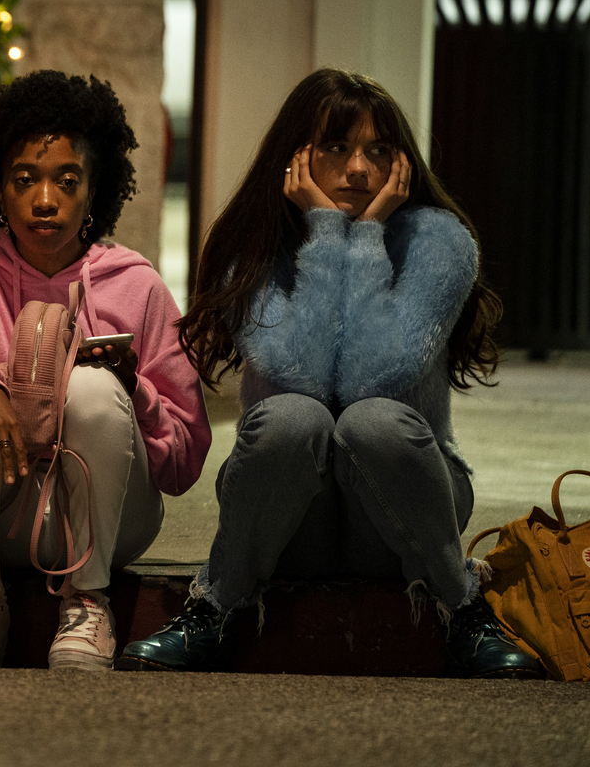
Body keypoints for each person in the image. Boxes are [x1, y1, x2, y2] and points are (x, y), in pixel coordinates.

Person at [118, 69, 543, 678]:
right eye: (337, 148)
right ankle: (213, 608)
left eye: (377, 150)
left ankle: (464, 607)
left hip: (404, 510)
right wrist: (325, 234)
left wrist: (365, 235)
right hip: (293, 514)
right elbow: (299, 375)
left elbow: (377, 375)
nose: (359, 169)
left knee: (374, 422)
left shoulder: (439, 242)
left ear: (401, 162)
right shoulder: (255, 246)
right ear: (296, 156)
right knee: (291, 416)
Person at [0, 70, 211, 669]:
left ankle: (87, 604)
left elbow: (183, 465)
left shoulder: (137, 284)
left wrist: (133, 391)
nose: (45, 200)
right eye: (23, 179)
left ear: (93, 190)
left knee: (91, 386)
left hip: (108, 523)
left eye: (66, 180)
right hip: (1, 517)